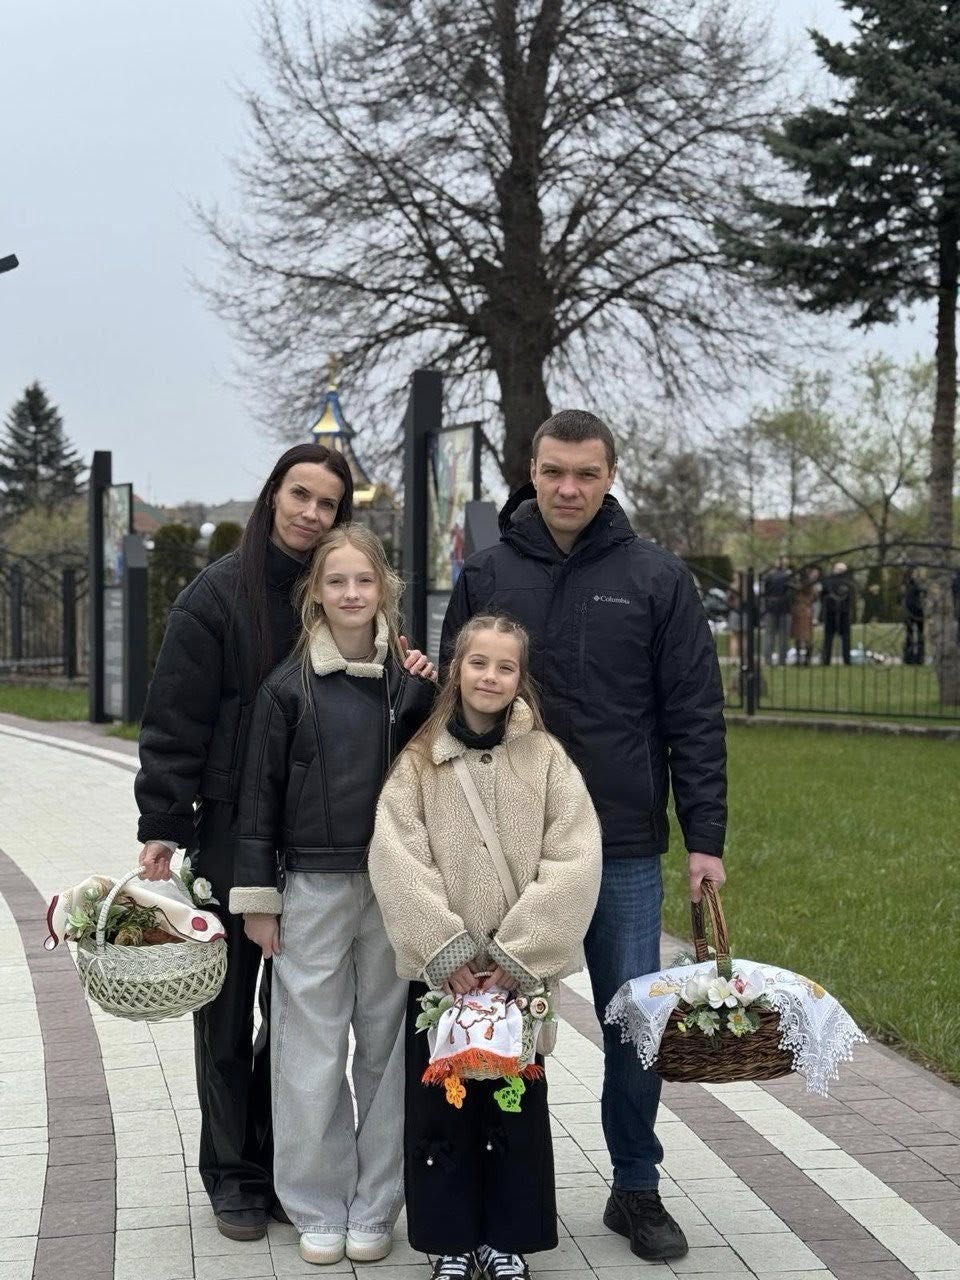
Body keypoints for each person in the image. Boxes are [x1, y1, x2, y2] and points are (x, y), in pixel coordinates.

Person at [441, 410, 726, 1262]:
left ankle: (636, 1186)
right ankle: (496, 1193)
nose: (569, 488)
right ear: (532, 472)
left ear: (610, 477)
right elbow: (451, 705)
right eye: (555, 471)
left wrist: (705, 837)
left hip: (622, 845)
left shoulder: (656, 578)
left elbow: (694, 713)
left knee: (633, 1023)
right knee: (499, 1018)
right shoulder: (486, 573)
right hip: (509, 846)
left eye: (587, 474)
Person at [136, 443, 354, 1241]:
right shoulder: (217, 595)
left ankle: (277, 1162)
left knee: (295, 1018)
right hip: (230, 829)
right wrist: (163, 822)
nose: (311, 513)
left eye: (327, 504)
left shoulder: (334, 591)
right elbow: (174, 716)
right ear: (273, 496)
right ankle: (231, 1173)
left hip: (316, 833)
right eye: (300, 495)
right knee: (226, 1016)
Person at [369, 613, 603, 1280]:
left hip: (513, 982)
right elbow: (396, 855)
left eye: (505, 666)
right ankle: (450, 1239)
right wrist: (443, 950)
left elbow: (575, 858)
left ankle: (507, 1238)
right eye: (478, 663)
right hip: (443, 982)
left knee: (513, 1106)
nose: (490, 677)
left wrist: (515, 956)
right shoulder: (420, 760)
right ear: (456, 669)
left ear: (520, 678)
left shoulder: (546, 760)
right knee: (440, 1109)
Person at [228, 524, 436, 1268]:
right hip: (312, 888)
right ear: (315, 592)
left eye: (365, 581)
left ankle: (377, 1203)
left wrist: (429, 689)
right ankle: (316, 1204)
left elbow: (443, 777)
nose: (352, 593)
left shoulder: (411, 686)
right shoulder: (286, 688)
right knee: (309, 1051)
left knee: (386, 1046)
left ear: (386, 590)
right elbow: (258, 799)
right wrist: (259, 900)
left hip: (394, 887)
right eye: (337, 581)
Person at [821, 561, 855, 667]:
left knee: (845, 637)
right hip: (831, 611)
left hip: (843, 611)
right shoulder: (830, 580)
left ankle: (846, 660)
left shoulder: (847, 581)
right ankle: (826, 659)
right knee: (829, 637)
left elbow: (851, 595)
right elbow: (823, 594)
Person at [762, 556, 792, 665]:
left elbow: (764, 592)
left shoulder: (769, 576)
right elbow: (790, 592)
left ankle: (768, 659)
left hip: (771, 607)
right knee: (783, 636)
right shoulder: (788, 576)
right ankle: (782, 660)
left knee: (769, 634)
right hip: (784, 608)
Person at [791, 565, 820, 667]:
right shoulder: (807, 585)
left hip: (803, 610)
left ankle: (805, 659)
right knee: (802, 636)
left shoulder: (805, 585)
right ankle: (803, 659)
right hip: (803, 610)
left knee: (804, 636)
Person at [902, 567, 926, 665]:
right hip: (912, 611)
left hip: (916, 611)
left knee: (917, 634)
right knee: (911, 634)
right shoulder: (910, 584)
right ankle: (910, 657)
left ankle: (918, 657)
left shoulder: (910, 584)